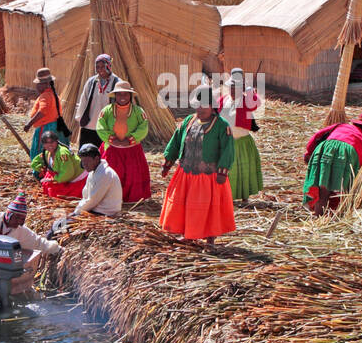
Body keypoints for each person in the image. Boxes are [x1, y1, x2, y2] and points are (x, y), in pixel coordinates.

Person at [159, 87, 235, 244]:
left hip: (208, 176)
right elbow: (176, 141)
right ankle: (187, 234)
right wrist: (167, 162)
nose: (200, 109)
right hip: (186, 172)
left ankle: (210, 238)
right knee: (184, 206)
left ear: (212, 106)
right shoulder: (189, 121)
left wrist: (223, 170)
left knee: (207, 208)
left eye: (204, 105)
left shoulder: (221, 125)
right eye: (198, 105)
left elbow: (228, 149)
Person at [302, 113, 362, 215]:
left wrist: (308, 153)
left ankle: (318, 215)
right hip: (347, 154)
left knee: (322, 187)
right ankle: (331, 215)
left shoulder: (340, 126)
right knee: (340, 189)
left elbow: (316, 137)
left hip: (325, 148)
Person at [97, 80, 152, 203]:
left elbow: (144, 127)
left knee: (132, 175)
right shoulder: (106, 111)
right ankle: (110, 198)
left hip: (132, 150)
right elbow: (100, 126)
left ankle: (131, 199)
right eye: (119, 94)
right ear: (115, 96)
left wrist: (131, 139)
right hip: (112, 149)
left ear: (130, 96)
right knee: (112, 174)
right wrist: (112, 139)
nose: (122, 97)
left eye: (125, 94)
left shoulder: (138, 111)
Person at [218, 68, 263, 203]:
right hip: (226, 143)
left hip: (241, 142)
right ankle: (226, 197)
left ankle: (244, 198)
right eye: (231, 87)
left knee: (243, 171)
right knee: (228, 171)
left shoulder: (246, 101)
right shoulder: (224, 100)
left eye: (236, 88)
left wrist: (248, 88)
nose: (233, 91)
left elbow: (256, 103)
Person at [73, 54, 119, 149]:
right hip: (89, 126)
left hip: (107, 128)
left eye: (103, 66)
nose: (100, 70)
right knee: (86, 155)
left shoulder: (117, 83)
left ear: (109, 65)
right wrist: (81, 119)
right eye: (97, 67)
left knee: (104, 156)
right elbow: (84, 100)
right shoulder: (91, 82)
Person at [30, 130, 86, 198]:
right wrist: (42, 169)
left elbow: (68, 172)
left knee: (56, 193)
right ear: (43, 144)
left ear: (57, 141)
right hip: (64, 176)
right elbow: (34, 163)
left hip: (78, 178)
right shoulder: (47, 153)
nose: (49, 145)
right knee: (48, 177)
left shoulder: (62, 153)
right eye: (46, 143)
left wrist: (52, 179)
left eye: (52, 142)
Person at [23, 67, 64, 162]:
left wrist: (29, 124)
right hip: (54, 126)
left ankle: (40, 172)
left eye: (38, 84)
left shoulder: (45, 96)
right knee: (52, 151)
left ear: (46, 84)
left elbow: (42, 111)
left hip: (46, 128)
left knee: (41, 152)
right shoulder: (53, 94)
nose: (36, 87)